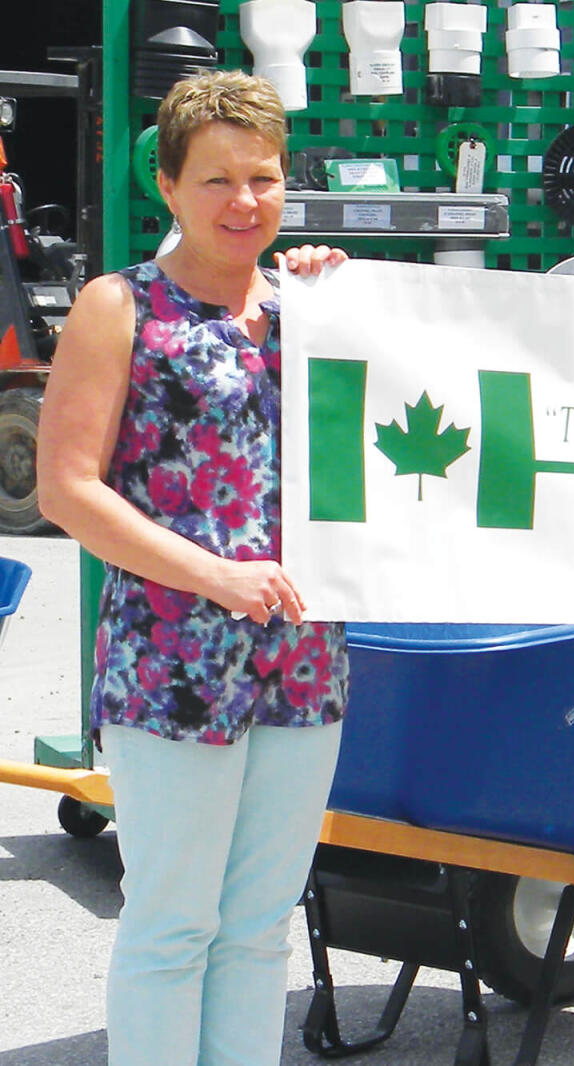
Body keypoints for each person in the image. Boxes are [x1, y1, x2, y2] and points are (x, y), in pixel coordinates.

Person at [36, 70, 350, 1066]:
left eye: (263, 178)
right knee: (172, 928)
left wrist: (349, 301)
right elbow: (66, 491)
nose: (243, 201)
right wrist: (217, 575)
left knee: (260, 928)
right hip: (171, 664)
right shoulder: (118, 306)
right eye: (215, 179)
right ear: (166, 184)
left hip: (305, 664)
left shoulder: (319, 313)